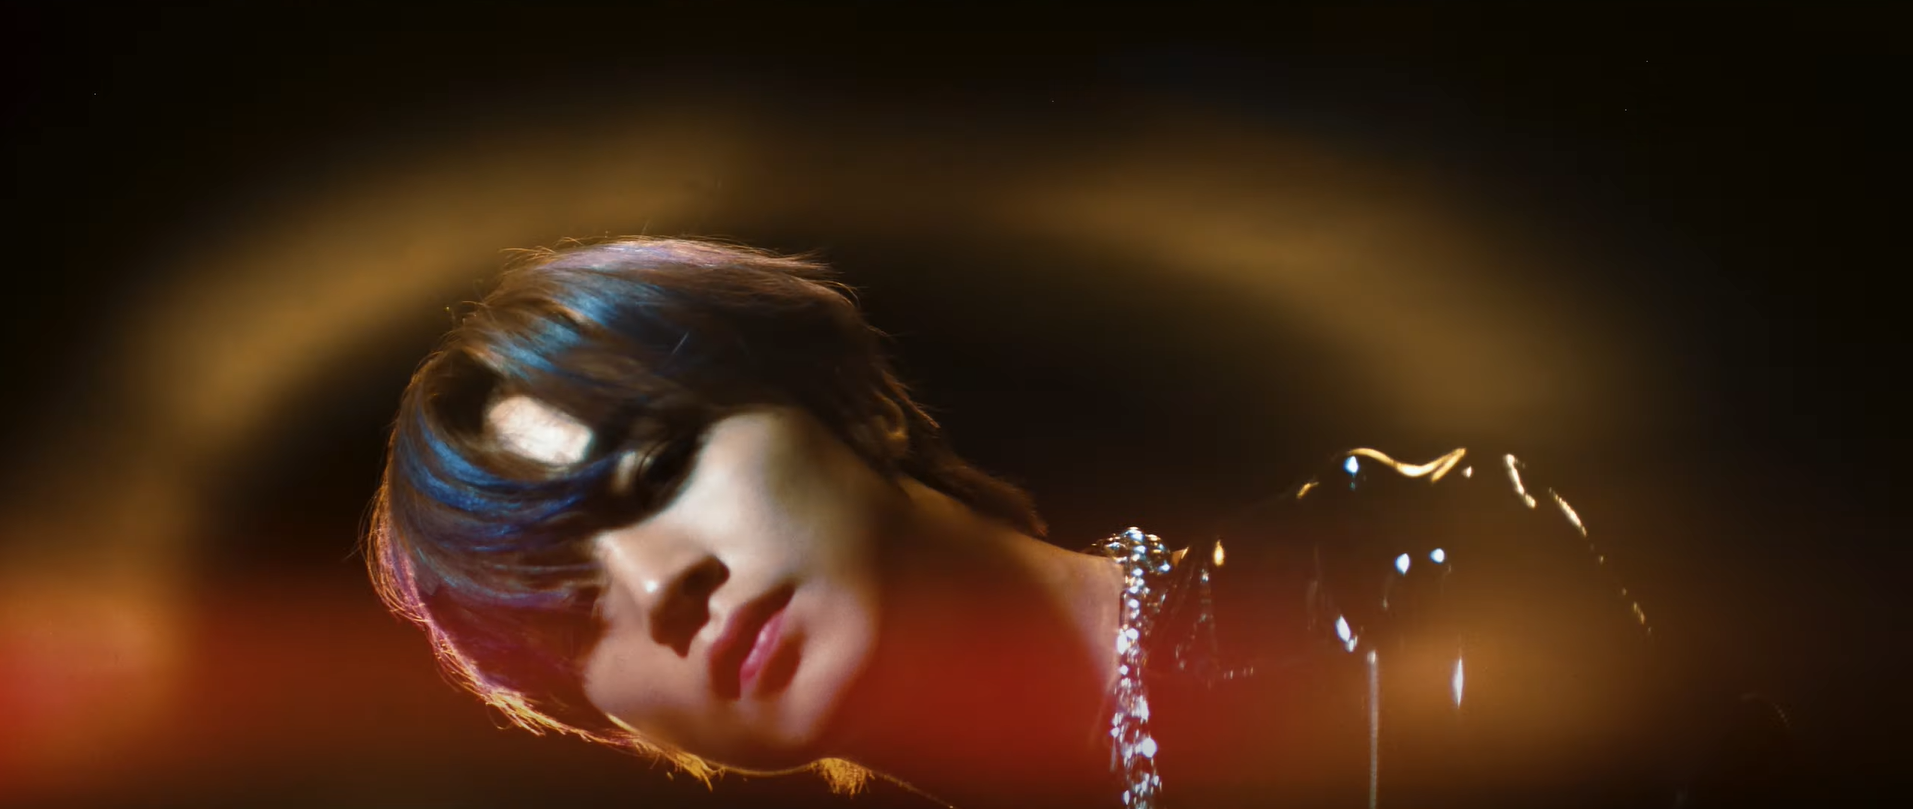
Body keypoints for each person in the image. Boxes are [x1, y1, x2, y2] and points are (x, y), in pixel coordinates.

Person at [367, 237, 1791, 808]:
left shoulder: (1418, 566)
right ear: (616, 728)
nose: (659, 588)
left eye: (657, 467)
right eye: (574, 614)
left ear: (849, 407)